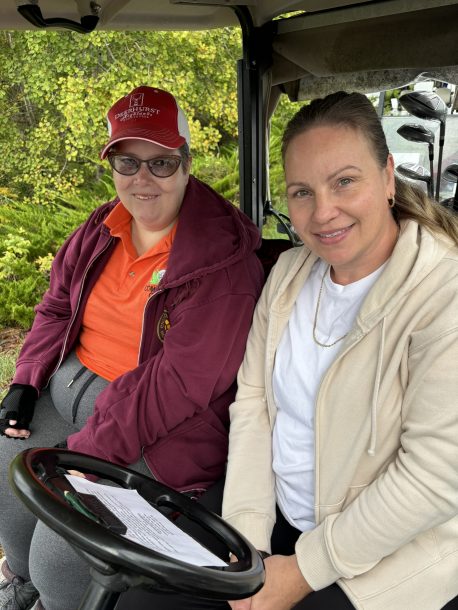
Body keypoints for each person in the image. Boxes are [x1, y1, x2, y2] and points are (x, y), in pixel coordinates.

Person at [0, 85, 264, 610]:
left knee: (64, 552)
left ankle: (51, 595)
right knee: (4, 477)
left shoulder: (221, 263)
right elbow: (56, 306)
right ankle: (23, 585)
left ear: (187, 163)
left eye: (160, 163)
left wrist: (87, 455)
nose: (142, 179)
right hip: (66, 395)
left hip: (154, 429)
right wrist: (25, 382)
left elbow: (180, 384)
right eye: (127, 161)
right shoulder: (101, 227)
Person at [222, 91, 458, 610]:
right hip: (281, 532)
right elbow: (254, 404)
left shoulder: (444, 293)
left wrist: (302, 572)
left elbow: (433, 476)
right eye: (302, 191)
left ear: (388, 176)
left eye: (344, 182)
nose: (322, 212)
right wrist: (244, 544)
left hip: (389, 560)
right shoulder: (288, 276)